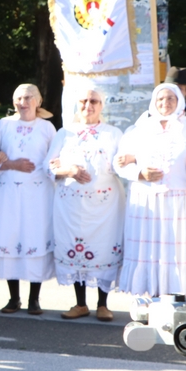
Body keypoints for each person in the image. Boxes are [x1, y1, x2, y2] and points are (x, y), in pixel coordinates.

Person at [114, 83, 186, 297]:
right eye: (160, 99)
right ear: (153, 102)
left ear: (179, 101)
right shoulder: (139, 130)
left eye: (170, 98)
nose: (165, 103)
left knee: (178, 251)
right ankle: (148, 297)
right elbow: (118, 163)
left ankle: (181, 296)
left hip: (182, 201)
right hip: (147, 201)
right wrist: (140, 173)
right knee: (149, 252)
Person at [46, 87, 125, 321]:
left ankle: (103, 304)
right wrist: (68, 170)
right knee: (75, 246)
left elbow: (121, 163)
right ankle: (80, 304)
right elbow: (47, 165)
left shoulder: (113, 133)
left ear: (101, 105)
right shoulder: (65, 133)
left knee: (104, 248)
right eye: (83, 100)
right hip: (71, 206)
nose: (88, 105)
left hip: (105, 206)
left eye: (94, 101)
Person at [0, 84, 56, 314]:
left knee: (34, 237)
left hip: (38, 194)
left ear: (38, 101)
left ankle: (34, 299)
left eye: (27, 98)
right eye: (18, 98)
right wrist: (10, 163)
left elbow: (55, 159)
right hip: (8, 194)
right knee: (10, 236)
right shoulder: (4, 125)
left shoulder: (47, 128)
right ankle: (14, 298)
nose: (23, 103)